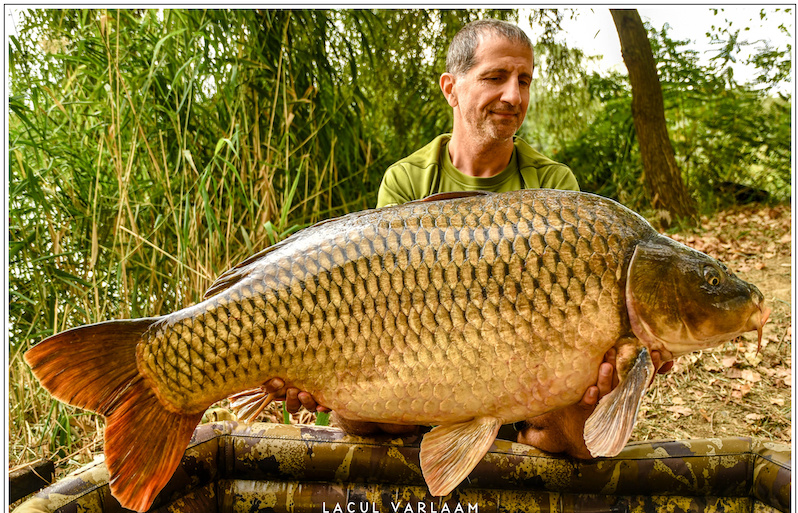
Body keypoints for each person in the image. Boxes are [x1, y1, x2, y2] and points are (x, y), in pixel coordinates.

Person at [259, 19, 670, 459]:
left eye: (524, 80)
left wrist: (626, 350)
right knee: (353, 415)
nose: (514, 96)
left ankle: (508, 448)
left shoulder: (553, 185)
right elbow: (378, 304)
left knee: (581, 437)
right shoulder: (406, 179)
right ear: (451, 88)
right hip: (422, 369)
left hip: (527, 381)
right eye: (495, 78)